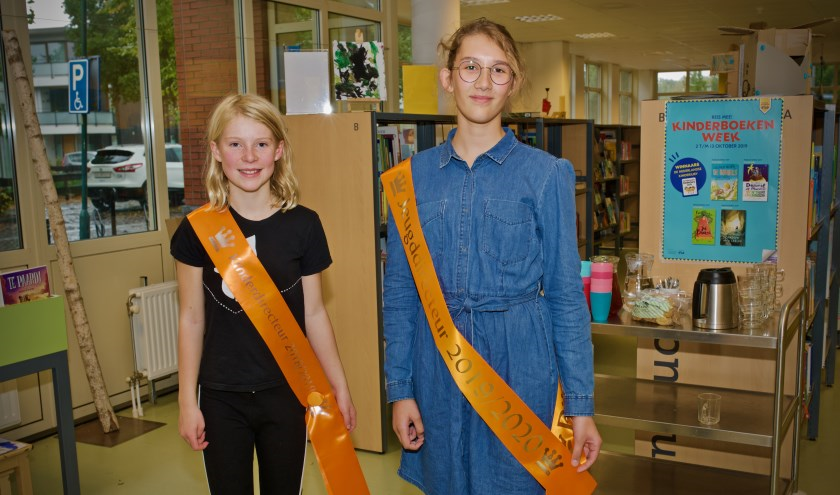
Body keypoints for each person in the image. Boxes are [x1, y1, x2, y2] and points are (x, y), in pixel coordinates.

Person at [383, 18, 601, 494]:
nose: (483, 82)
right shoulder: (409, 180)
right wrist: (400, 390)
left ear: (514, 83)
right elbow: (400, 293)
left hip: (520, 366)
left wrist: (580, 407)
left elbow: (566, 295)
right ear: (447, 77)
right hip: (437, 366)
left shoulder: (547, 175)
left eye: (498, 70)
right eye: (470, 67)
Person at [171, 93, 356, 494]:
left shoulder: (304, 226)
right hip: (221, 396)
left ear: (279, 150)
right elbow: (191, 317)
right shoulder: (196, 230)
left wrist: (337, 385)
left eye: (261, 143)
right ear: (217, 151)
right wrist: (187, 401)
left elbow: (315, 314)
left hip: (288, 391)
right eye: (236, 144)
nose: (249, 156)